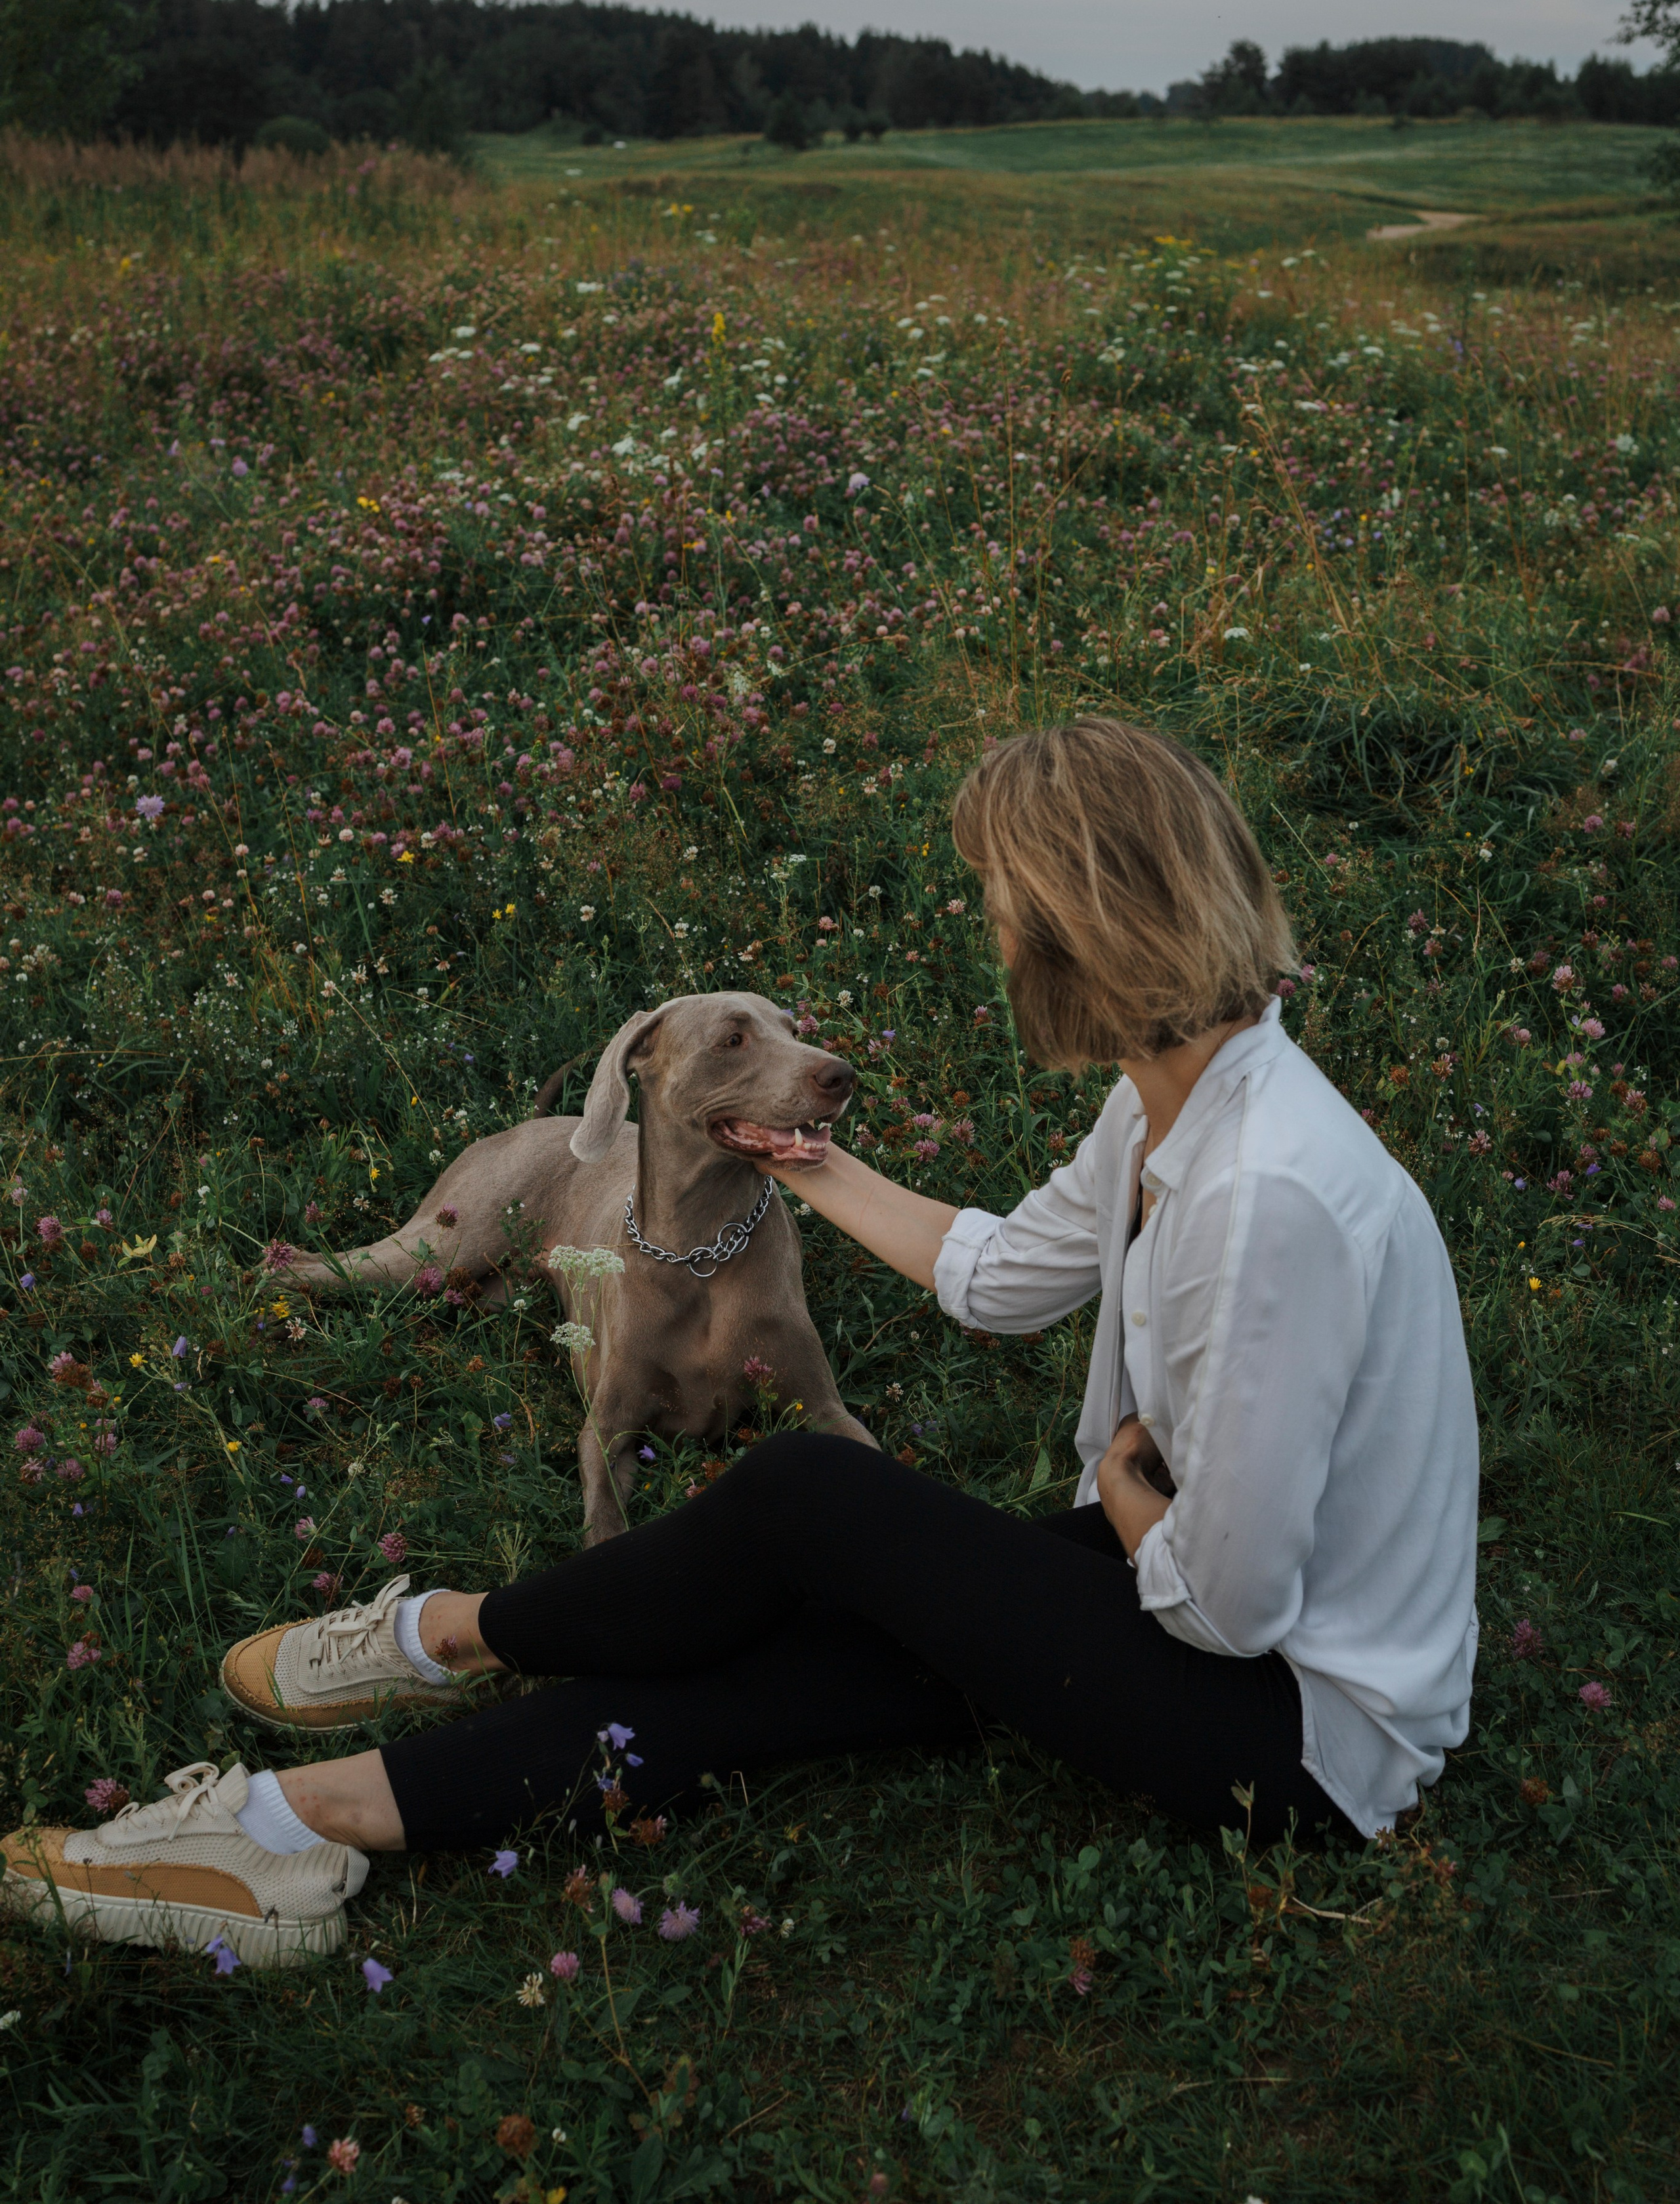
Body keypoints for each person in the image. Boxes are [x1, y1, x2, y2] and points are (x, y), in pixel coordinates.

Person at [1, 721, 1479, 1968]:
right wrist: (798, 1159)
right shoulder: (1177, 1104)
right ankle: (294, 1827)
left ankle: (448, 1637)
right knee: (783, 1670)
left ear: (1072, 919)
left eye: (995, 897)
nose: (991, 930)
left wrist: (1124, 1498)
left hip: (1289, 1728)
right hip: (1192, 1598)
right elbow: (1001, 1278)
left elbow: (1228, 1602)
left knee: (813, 1499)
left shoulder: (1264, 1198)